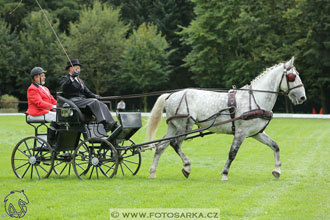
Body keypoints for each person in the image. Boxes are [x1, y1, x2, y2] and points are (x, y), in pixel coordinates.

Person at [60, 59, 117, 132]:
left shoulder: (80, 81)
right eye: (77, 68)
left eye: (79, 68)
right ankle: (104, 123)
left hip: (82, 101)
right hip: (72, 102)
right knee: (94, 102)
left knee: (103, 104)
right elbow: (64, 88)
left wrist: (95, 96)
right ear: (70, 68)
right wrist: (71, 78)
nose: (79, 69)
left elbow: (87, 92)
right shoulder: (65, 78)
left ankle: (112, 124)